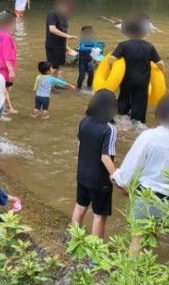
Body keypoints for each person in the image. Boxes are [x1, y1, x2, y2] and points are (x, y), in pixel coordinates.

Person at [112, 94, 169, 266]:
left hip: (147, 197)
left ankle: (130, 278)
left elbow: (130, 166)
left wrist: (120, 181)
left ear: (160, 113)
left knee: (137, 242)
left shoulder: (149, 136)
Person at [71, 90, 118, 239]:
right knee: (99, 216)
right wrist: (118, 179)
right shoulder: (110, 129)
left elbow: (79, 146)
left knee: (80, 206)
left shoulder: (84, 121)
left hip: (83, 174)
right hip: (100, 180)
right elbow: (105, 157)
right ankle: (95, 254)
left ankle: (74, 240)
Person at [108, 18, 164, 125]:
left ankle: (122, 115)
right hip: (143, 81)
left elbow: (111, 59)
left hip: (127, 79)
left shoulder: (123, 45)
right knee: (140, 100)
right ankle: (137, 121)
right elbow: (160, 64)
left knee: (124, 97)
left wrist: (111, 69)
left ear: (127, 33)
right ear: (143, 32)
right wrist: (161, 74)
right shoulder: (149, 46)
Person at [45, 0, 78, 74]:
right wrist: (68, 36)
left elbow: (64, 32)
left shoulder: (64, 17)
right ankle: (50, 84)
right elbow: (52, 29)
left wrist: (66, 48)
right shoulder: (52, 14)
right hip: (52, 46)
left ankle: (56, 83)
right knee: (54, 67)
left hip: (61, 46)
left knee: (59, 66)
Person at [0, 11, 18, 113]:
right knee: (5, 90)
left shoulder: (0, 34)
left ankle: (6, 108)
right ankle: (3, 110)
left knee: (3, 90)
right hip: (5, 69)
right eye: (14, 22)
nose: (15, 25)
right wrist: (11, 71)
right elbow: (7, 55)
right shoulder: (7, 37)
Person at [76, 26, 100, 92]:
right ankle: (78, 88)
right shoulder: (82, 40)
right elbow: (82, 48)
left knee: (91, 75)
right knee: (82, 76)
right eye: (87, 32)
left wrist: (97, 51)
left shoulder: (93, 41)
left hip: (90, 61)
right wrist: (91, 48)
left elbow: (96, 47)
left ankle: (89, 88)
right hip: (82, 61)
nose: (89, 34)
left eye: (90, 32)